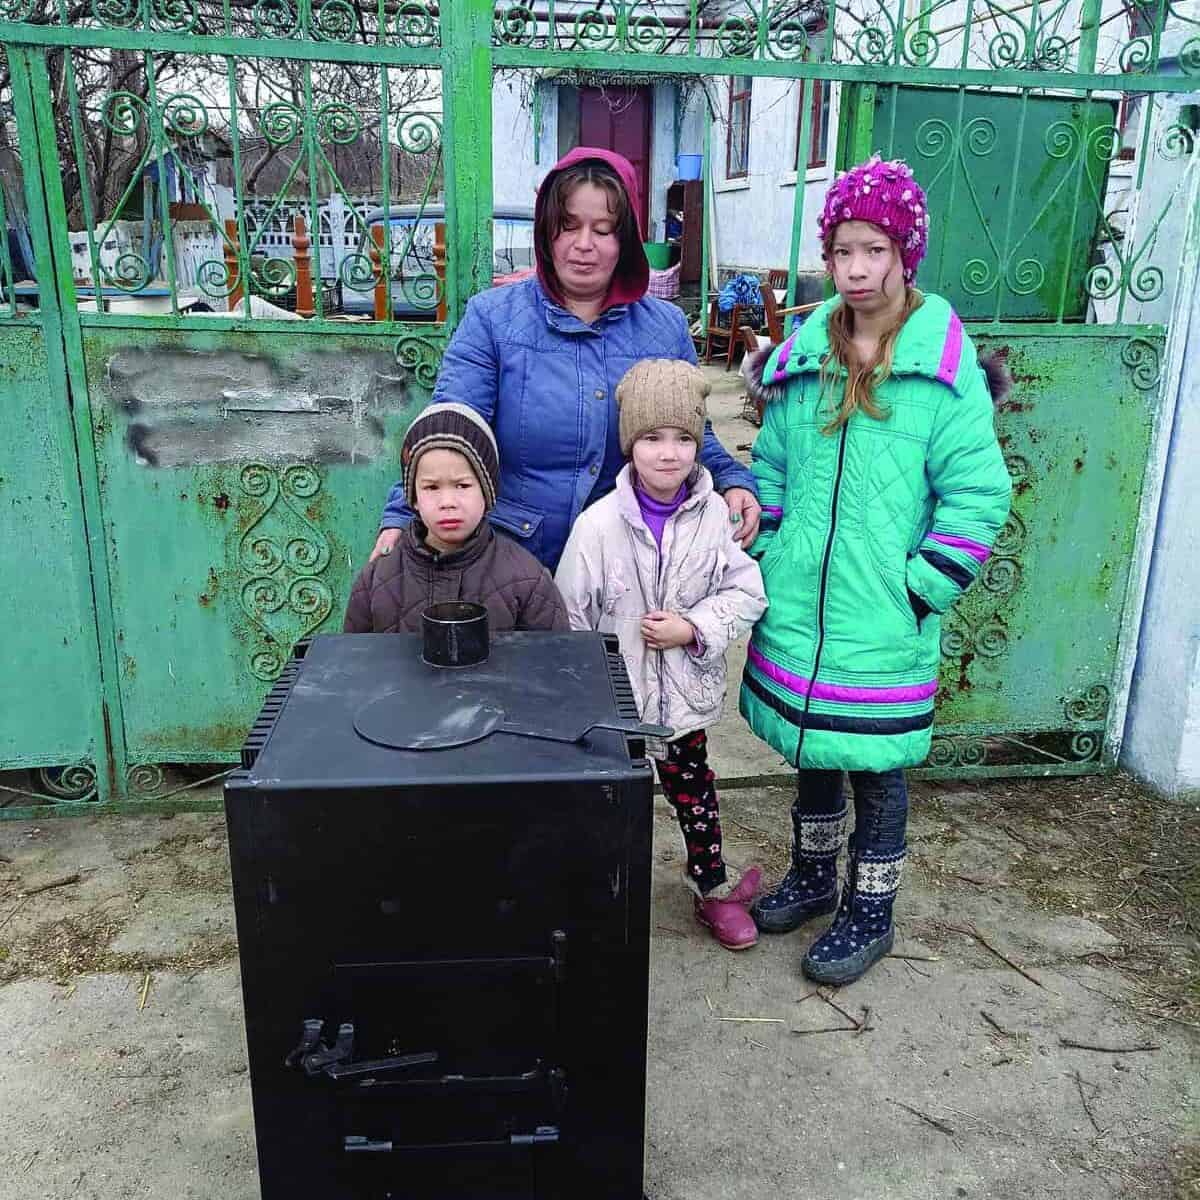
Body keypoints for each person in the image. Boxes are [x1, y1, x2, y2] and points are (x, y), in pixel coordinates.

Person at [739, 156, 1012, 984]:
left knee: (878, 770)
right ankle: (816, 877)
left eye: (873, 250)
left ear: (904, 254)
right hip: (802, 606)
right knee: (815, 753)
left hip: (884, 613)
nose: (856, 269)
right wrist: (771, 547)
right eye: (843, 250)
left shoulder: (940, 369)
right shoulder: (804, 355)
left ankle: (870, 909)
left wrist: (920, 588)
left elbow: (978, 494)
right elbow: (774, 464)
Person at [369, 147, 760, 573]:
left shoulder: (663, 328)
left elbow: (693, 431)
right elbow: (451, 427)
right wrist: (401, 516)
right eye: (568, 225)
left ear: (625, 239)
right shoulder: (493, 319)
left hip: (627, 563)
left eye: (604, 229)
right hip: (512, 562)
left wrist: (733, 480)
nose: (584, 245)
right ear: (546, 231)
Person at [555, 360, 768, 950]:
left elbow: (747, 592)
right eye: (652, 438)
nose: (668, 453)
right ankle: (595, 897)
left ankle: (713, 889)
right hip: (614, 705)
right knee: (603, 802)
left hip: (681, 703)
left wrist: (693, 627)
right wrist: (588, 687)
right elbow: (569, 612)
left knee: (695, 795)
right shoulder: (598, 526)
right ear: (631, 445)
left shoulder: (714, 521)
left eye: (682, 438)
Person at [344, 402, 568, 634]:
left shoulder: (528, 580)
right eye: (431, 487)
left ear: (487, 492)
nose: (448, 501)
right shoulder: (377, 579)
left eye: (462, 485)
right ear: (414, 498)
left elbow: (555, 663)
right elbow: (351, 663)